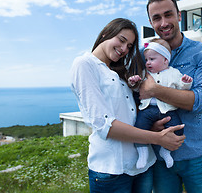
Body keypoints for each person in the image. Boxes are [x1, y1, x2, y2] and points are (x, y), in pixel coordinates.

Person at [70, 18, 185, 193]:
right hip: (112, 169)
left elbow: (133, 113)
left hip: (143, 166)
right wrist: (157, 138)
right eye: (122, 40)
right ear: (105, 33)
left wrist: (153, 127)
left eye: (130, 46)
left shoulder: (120, 71)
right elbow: (104, 125)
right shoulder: (85, 64)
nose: (124, 49)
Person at [139, 0, 202, 193]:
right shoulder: (144, 55)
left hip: (197, 154)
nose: (163, 22)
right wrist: (152, 126)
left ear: (179, 15)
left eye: (168, 15)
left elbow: (201, 101)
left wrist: (155, 90)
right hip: (159, 157)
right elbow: (135, 98)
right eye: (156, 18)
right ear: (150, 21)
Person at [128, 38, 193, 169]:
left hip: (168, 110)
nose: (148, 63)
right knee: (139, 128)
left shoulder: (173, 73)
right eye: (146, 60)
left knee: (178, 129)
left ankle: (166, 151)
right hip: (147, 109)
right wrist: (134, 81)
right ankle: (143, 153)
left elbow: (182, 88)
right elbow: (136, 89)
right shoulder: (144, 74)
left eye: (152, 59)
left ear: (165, 60)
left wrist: (186, 82)